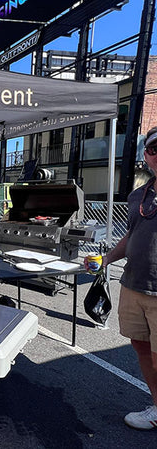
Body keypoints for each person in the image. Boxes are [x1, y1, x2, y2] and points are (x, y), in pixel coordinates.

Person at [90, 126, 157, 430]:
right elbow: (132, 235)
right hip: (133, 287)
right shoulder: (138, 196)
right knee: (140, 347)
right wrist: (105, 259)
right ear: (147, 156)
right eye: (154, 149)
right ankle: (156, 406)